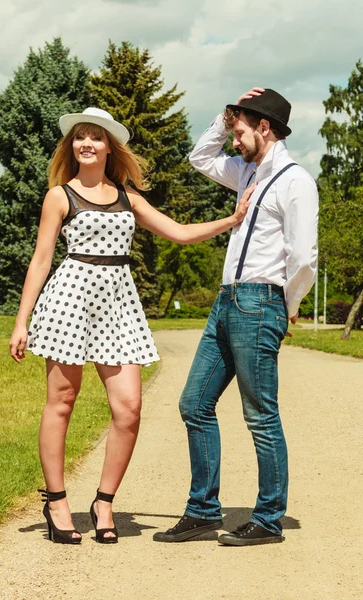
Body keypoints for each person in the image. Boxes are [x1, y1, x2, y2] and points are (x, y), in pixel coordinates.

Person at [9, 107, 254, 545]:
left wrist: (232, 221)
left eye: (95, 138)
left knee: (129, 409)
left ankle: (104, 501)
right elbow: (42, 258)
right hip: (70, 296)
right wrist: (21, 321)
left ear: (109, 147)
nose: (86, 144)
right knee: (61, 400)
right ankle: (57, 502)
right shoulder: (59, 196)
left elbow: (178, 233)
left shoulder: (127, 196)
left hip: (119, 302)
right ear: (72, 147)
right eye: (79, 138)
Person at [153, 88, 318, 546]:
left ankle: (268, 519)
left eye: (242, 131)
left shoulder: (294, 181)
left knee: (260, 415)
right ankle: (204, 511)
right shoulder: (246, 173)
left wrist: (287, 307)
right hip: (225, 303)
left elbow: (304, 258)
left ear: (265, 128)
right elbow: (200, 158)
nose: (234, 141)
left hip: (261, 302)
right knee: (195, 404)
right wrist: (226, 118)